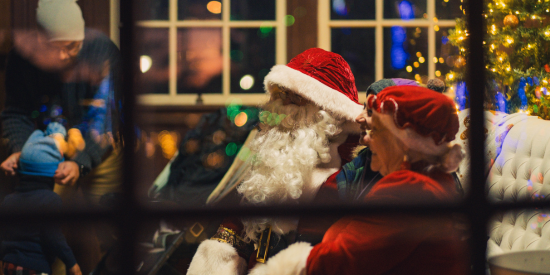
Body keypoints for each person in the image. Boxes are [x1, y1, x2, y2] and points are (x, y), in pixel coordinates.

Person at [248, 85, 468, 275]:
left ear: (404, 141)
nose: (367, 141)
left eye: (377, 132)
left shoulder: (410, 189)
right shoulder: (432, 179)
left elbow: (337, 263)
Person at [187, 48, 364, 275]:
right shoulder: (273, 161)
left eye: (295, 98)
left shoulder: (342, 177)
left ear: (326, 111)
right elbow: (234, 231)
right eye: (280, 94)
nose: (282, 105)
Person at [0, 0, 122, 273]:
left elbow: (108, 122)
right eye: (59, 46)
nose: (67, 55)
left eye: (73, 45)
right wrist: (23, 151)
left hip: (101, 150)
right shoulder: (22, 59)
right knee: (43, 230)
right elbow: (15, 114)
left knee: (113, 231)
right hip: (47, 151)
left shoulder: (103, 51)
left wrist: (80, 161)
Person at [1, 123, 82, 275]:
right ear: (54, 173)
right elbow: (53, 237)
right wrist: (72, 263)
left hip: (8, 266)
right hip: (36, 268)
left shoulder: (8, 200)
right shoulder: (51, 200)